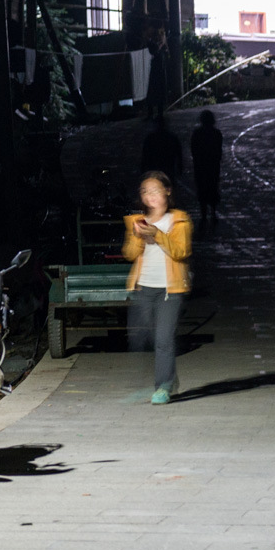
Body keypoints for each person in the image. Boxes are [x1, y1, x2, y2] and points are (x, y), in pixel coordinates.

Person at [122, 171, 193, 404]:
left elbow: (181, 252)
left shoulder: (179, 221)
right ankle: (169, 378)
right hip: (144, 288)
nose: (149, 196)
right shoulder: (136, 221)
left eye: (155, 190)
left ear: (168, 191)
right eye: (144, 191)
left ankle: (162, 386)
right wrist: (137, 237)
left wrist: (159, 235)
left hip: (169, 290)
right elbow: (129, 255)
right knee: (146, 338)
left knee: (164, 339)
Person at [190, 110, 223, 231]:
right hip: (213, 165)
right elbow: (219, 151)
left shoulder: (197, 134)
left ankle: (203, 215)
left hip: (201, 165)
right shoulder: (216, 133)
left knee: (202, 189)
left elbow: (194, 150)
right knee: (213, 187)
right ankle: (213, 213)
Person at [139, 115, 183, 181]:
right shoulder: (172, 137)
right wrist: (180, 165)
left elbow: (145, 154)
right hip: (168, 167)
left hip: (155, 167)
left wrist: (143, 168)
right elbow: (178, 153)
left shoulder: (150, 138)